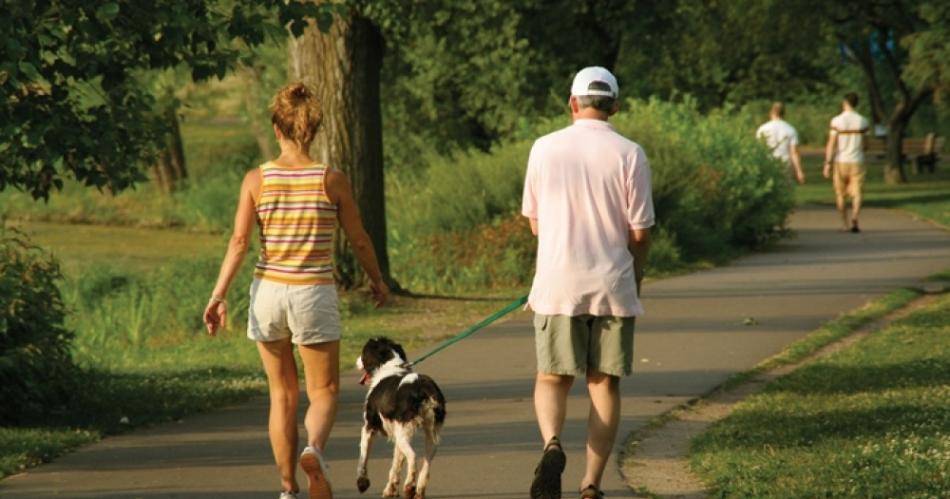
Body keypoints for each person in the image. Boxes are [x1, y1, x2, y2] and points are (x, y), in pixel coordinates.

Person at [203, 82, 389, 499]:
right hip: (313, 292)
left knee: (281, 394)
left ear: (277, 128)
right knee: (322, 391)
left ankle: (288, 490)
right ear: (313, 129)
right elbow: (359, 239)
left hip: (267, 291)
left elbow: (238, 243)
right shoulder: (332, 180)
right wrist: (377, 280)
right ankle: (315, 450)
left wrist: (217, 296)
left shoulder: (256, 179)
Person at [521, 66, 654, 499]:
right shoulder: (630, 153)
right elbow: (640, 232)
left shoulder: (544, 149)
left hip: (558, 284)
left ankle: (552, 443)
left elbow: (536, 224)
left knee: (551, 377)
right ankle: (591, 482)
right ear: (615, 105)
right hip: (612, 284)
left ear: (573, 103)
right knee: (603, 382)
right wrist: (637, 275)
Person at [823, 92, 870, 233]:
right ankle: (855, 217)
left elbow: (831, 143)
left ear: (845, 103)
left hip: (840, 160)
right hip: (857, 160)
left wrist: (827, 163)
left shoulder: (836, 121)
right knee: (857, 192)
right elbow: (866, 145)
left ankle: (845, 223)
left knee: (840, 193)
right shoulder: (863, 121)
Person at [756, 101, 806, 184]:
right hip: (784, 163)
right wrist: (799, 171)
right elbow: (794, 153)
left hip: (767, 163)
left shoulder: (762, 129)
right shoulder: (790, 129)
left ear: (771, 112)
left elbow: (758, 150)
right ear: (784, 113)